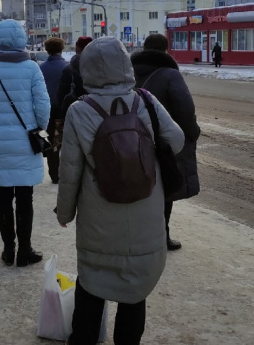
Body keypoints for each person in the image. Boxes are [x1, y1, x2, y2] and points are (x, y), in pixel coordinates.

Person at [56, 37, 185, 345]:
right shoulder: (145, 100)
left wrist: (65, 213)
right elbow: (177, 140)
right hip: (145, 209)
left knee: (92, 286)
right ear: (125, 65)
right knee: (135, 293)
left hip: (99, 217)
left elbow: (70, 170)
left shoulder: (80, 110)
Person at [0, 19, 51, 267]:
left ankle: (8, 249)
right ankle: (25, 250)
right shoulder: (32, 68)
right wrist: (38, 127)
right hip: (26, 141)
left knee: (3, 196)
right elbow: (43, 105)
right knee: (25, 197)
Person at [131, 33, 201, 251]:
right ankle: (162, 236)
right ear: (165, 50)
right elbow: (185, 110)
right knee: (165, 189)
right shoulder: (170, 74)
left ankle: (139, 234)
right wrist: (192, 133)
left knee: (138, 186)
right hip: (163, 144)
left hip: (133, 140)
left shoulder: (129, 73)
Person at [53, 36, 93, 152]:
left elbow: (60, 95)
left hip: (72, 116)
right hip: (95, 116)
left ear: (77, 48)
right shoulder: (101, 68)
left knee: (72, 150)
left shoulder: (69, 69)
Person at [39, 37, 68, 184]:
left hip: (47, 111)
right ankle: (65, 172)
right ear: (61, 49)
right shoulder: (67, 67)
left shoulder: (41, 68)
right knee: (64, 141)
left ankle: (54, 174)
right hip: (64, 110)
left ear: (47, 50)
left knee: (52, 142)